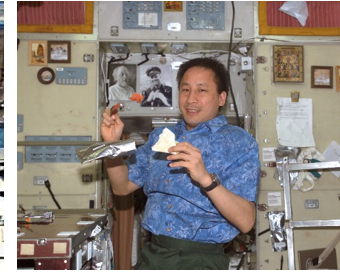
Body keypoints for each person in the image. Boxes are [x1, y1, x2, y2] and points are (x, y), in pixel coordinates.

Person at [100, 58, 259, 269]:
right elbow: (122, 187)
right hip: (153, 255)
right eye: (185, 90)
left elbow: (247, 221)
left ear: (221, 98)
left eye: (201, 91)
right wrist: (112, 147)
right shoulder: (161, 137)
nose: (191, 99)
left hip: (201, 260)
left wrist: (205, 179)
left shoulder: (239, 143)